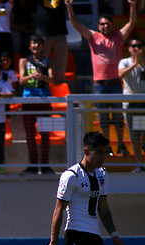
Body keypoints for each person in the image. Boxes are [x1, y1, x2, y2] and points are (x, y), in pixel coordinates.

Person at [66, 0, 137, 156]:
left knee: (118, 117)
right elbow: (76, 24)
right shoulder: (93, 36)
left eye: (108, 24)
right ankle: (107, 147)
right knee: (104, 118)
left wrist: (132, 5)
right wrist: (69, 6)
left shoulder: (118, 36)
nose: (105, 26)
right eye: (102, 24)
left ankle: (121, 145)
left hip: (115, 84)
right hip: (100, 84)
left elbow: (132, 22)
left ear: (112, 25)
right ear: (98, 26)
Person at [18, 35, 54, 174]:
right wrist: (31, 76)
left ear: (43, 47)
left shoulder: (47, 61)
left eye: (39, 44)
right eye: (34, 43)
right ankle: (33, 165)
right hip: (28, 100)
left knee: (45, 134)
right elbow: (21, 80)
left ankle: (45, 164)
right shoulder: (23, 61)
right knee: (30, 134)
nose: (36, 46)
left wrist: (43, 77)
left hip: (44, 100)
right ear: (29, 46)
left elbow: (52, 79)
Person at [119, 36, 145, 172]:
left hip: (143, 104)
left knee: (144, 135)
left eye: (139, 46)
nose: (136, 49)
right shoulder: (124, 62)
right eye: (134, 46)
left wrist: (141, 64)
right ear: (129, 48)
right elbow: (121, 75)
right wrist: (135, 64)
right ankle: (139, 164)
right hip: (130, 105)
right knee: (134, 136)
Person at [35, 0, 67, 83]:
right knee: (42, 63)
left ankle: (59, 89)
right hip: (43, 33)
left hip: (60, 32)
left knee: (60, 65)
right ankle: (42, 85)